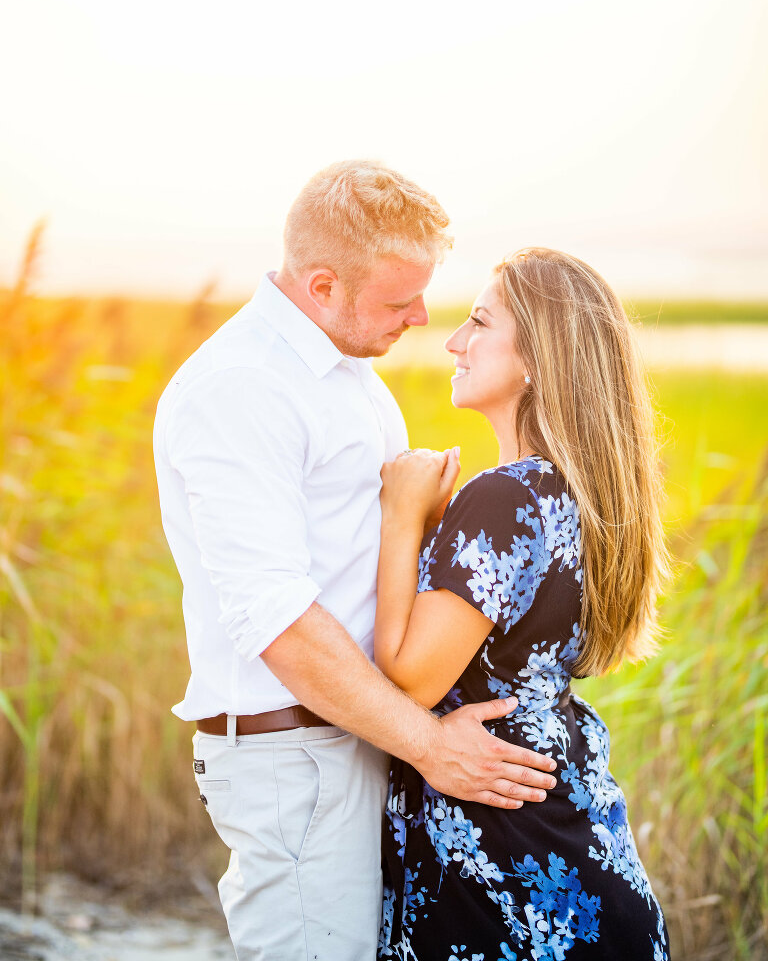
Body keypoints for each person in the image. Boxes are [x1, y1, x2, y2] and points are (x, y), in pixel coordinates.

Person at [153, 163, 557, 961]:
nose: (423, 318)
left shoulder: (350, 377)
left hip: (359, 738)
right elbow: (280, 622)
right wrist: (431, 745)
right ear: (323, 283)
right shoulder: (243, 389)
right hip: (295, 759)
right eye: (399, 299)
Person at [375, 247, 671, 960]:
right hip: (574, 852)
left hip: (508, 873)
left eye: (478, 322)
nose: (454, 342)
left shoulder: (505, 497)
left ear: (537, 357)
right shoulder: (581, 495)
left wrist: (401, 516)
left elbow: (410, 676)